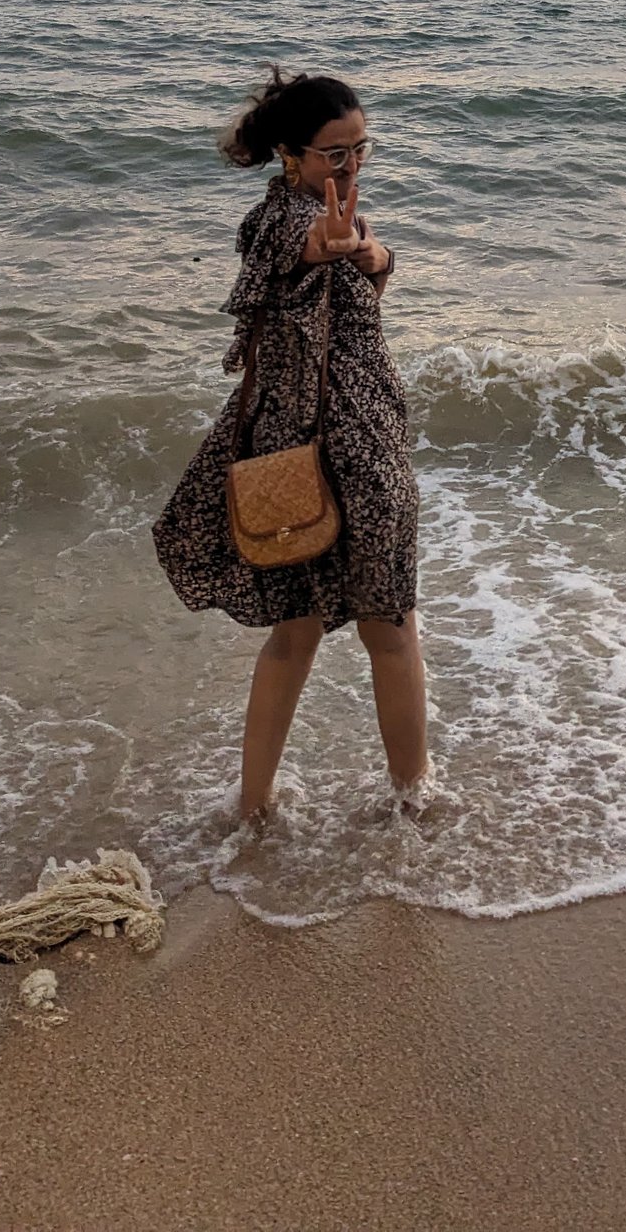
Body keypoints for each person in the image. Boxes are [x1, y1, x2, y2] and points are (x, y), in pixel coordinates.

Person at [153, 66, 429, 823]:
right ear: (289, 153)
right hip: (328, 450)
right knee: (356, 629)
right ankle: (367, 803)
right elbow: (293, 250)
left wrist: (376, 258)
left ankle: (294, 804)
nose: (352, 164)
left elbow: (349, 289)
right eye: (335, 153)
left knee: (341, 627)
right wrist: (330, 244)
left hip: (335, 445)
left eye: (361, 148)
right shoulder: (279, 222)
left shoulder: (338, 215)